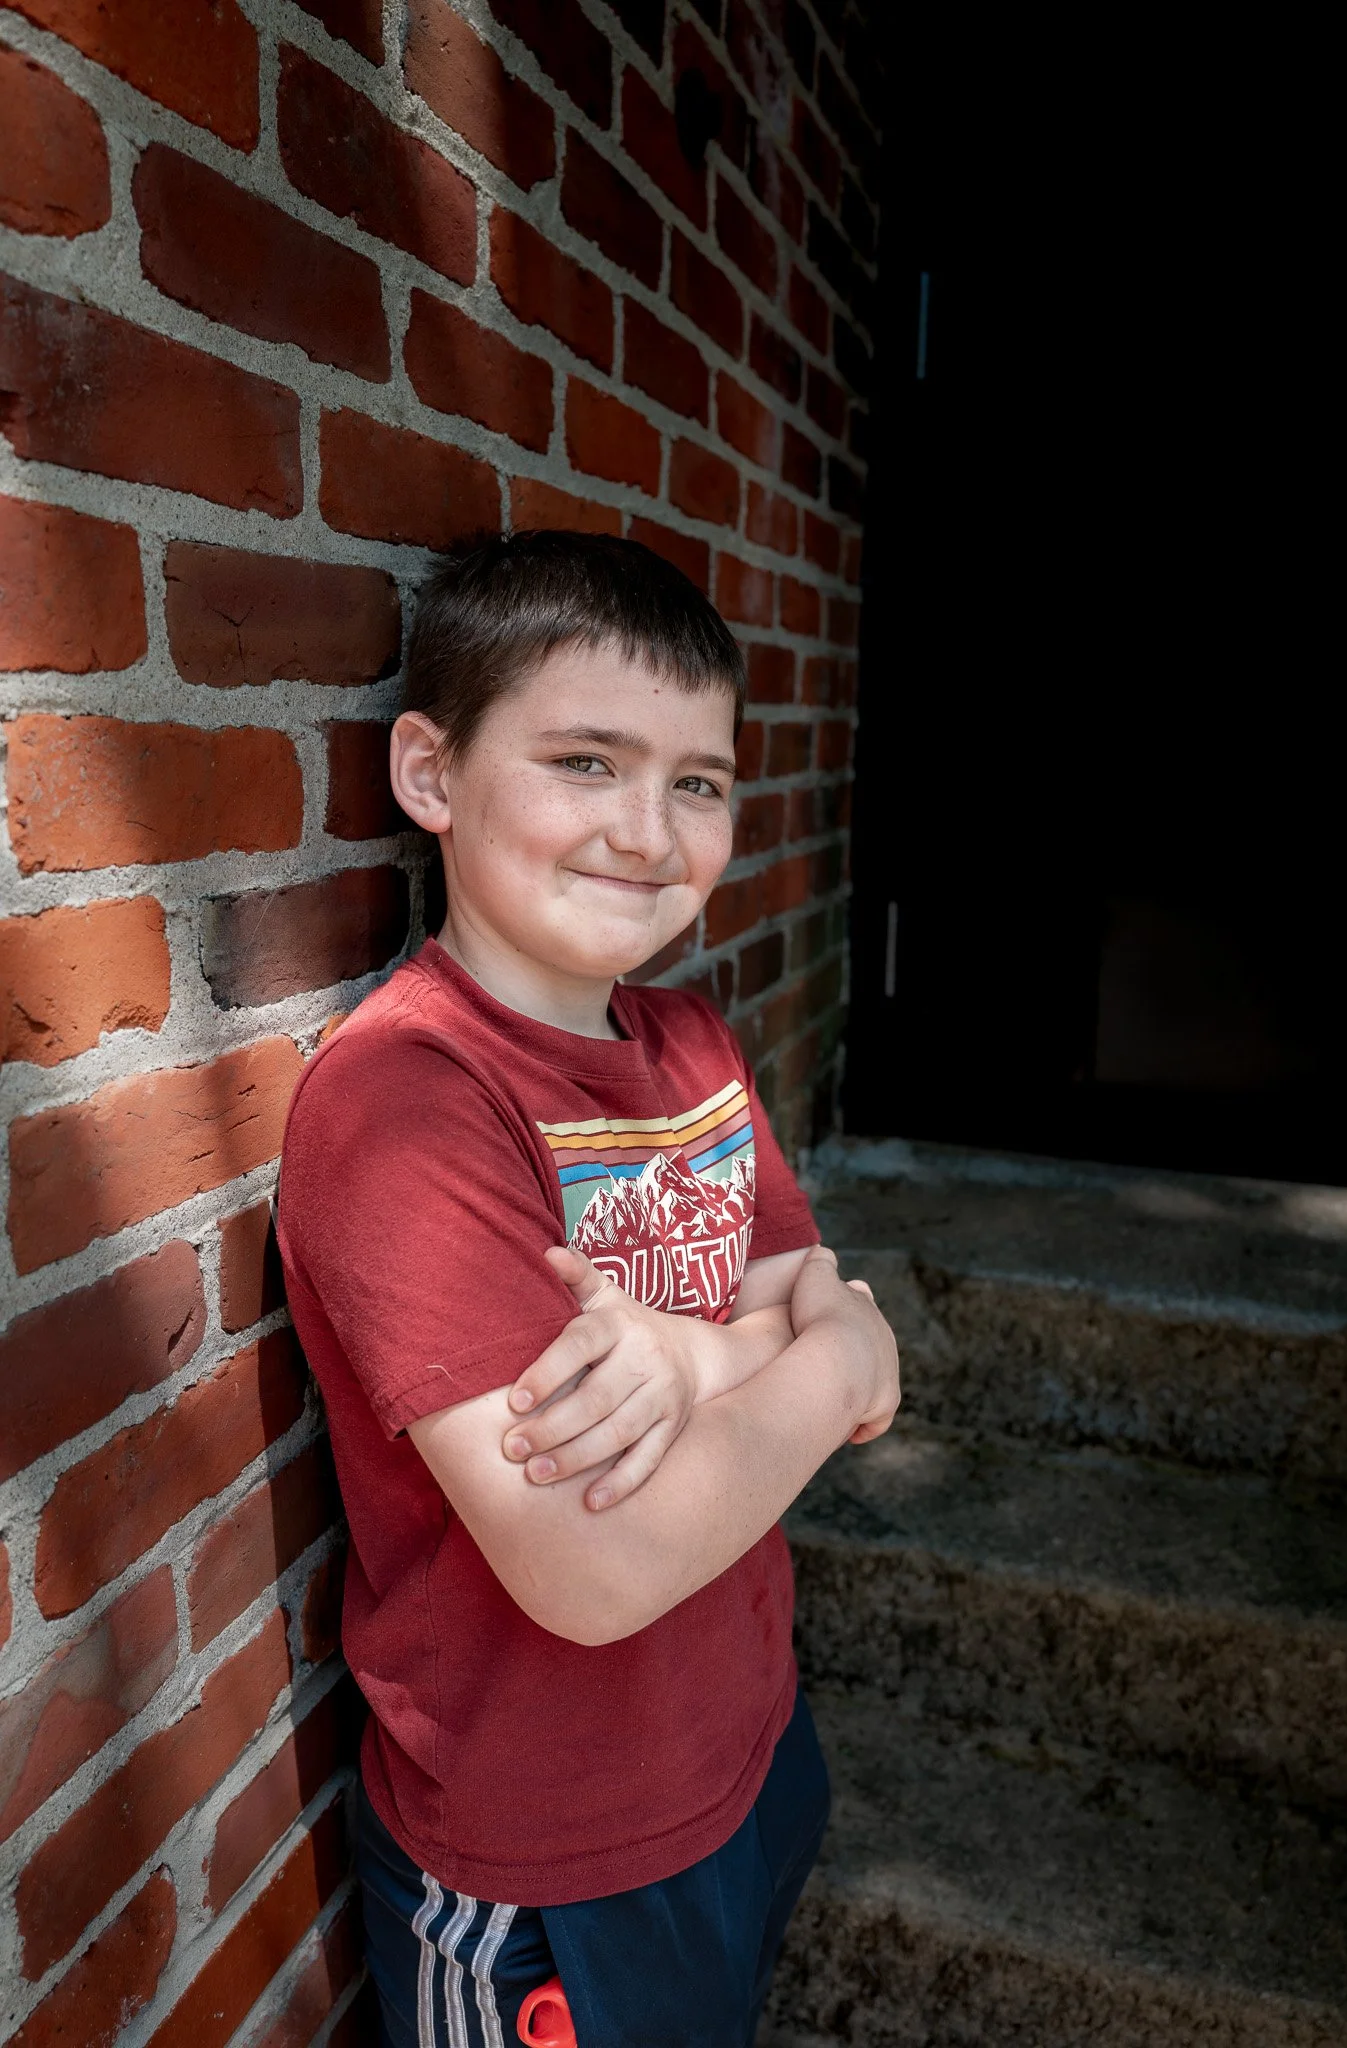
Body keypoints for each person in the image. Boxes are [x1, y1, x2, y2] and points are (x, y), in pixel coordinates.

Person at [275, 531, 900, 2048]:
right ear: (430, 774)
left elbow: (860, 1361)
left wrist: (689, 1369)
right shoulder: (408, 1105)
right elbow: (596, 1570)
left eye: (696, 780)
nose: (647, 828)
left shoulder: (688, 1044)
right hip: (548, 1852)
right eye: (583, 761)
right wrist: (812, 1357)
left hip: (745, 1740)